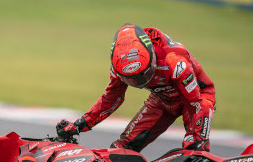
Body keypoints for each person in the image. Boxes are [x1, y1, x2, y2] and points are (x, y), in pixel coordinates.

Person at [56, 23, 215, 153]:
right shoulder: (119, 69)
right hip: (162, 100)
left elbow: (195, 104)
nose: (139, 82)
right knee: (120, 150)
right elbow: (110, 100)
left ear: (151, 56)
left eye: (143, 76)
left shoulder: (175, 62)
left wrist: (197, 140)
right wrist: (79, 125)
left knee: (194, 149)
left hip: (197, 98)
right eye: (130, 79)